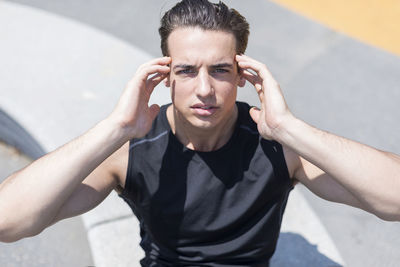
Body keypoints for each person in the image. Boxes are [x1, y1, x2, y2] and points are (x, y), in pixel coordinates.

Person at [0, 0, 399, 265]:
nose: (204, 89)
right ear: (165, 76)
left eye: (220, 70)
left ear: (243, 75)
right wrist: (115, 128)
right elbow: (9, 222)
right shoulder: (132, 150)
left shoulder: (278, 145)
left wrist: (289, 127)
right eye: (187, 70)